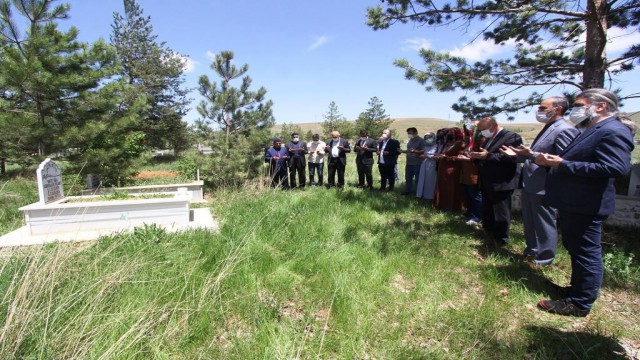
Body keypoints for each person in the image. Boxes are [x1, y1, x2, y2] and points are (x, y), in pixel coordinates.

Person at [535, 89, 634, 317]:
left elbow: (616, 168)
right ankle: (576, 290)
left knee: (586, 253)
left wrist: (563, 164)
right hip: (575, 202)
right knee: (576, 249)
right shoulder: (593, 128)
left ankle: (580, 303)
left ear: (600, 106)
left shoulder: (613, 130)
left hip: (587, 204)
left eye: (579, 104)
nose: (574, 109)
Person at [501, 96, 579, 266]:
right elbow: (537, 156)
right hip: (531, 183)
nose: (539, 111)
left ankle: (544, 259)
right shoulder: (548, 127)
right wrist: (519, 156)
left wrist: (531, 155)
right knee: (530, 222)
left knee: (544, 223)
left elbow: (562, 161)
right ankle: (532, 251)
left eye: (543, 108)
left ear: (557, 109)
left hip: (545, 186)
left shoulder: (564, 129)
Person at [469, 117, 522, 246]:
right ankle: (488, 233)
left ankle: (500, 239)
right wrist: (475, 157)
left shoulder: (512, 137)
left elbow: (511, 158)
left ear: (493, 126)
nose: (481, 133)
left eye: (483, 130)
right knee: (487, 209)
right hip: (487, 180)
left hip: (502, 181)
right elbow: (485, 155)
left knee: (500, 212)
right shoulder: (489, 138)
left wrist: (488, 156)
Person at [434, 127, 465, 211]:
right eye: (449, 133)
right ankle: (441, 205)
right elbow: (444, 153)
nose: (449, 134)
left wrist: (447, 157)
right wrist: (440, 155)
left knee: (451, 187)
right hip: (442, 167)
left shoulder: (460, 143)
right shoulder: (448, 143)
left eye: (451, 133)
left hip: (452, 168)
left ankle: (451, 206)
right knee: (442, 186)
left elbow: (460, 157)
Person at [458, 125, 483, 225]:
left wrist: (466, 158)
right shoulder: (467, 144)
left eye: (468, 133)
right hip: (465, 173)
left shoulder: (477, 144)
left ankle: (476, 217)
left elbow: (478, 158)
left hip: (473, 173)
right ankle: (469, 212)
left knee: (475, 195)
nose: (465, 135)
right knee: (467, 194)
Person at [400, 127, 426, 195]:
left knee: (417, 179)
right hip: (409, 163)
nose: (409, 135)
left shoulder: (421, 140)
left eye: (410, 133)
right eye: (408, 133)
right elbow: (409, 150)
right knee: (408, 178)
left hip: (417, 163)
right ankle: (407, 191)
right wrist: (402, 151)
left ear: (415, 133)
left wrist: (415, 151)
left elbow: (424, 151)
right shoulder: (410, 140)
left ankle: (418, 193)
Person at [415, 132, 438, 201]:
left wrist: (426, 156)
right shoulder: (426, 146)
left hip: (432, 165)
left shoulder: (436, 146)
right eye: (426, 138)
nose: (427, 139)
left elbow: (436, 155)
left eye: (429, 138)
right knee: (423, 179)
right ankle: (422, 194)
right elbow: (423, 152)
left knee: (430, 180)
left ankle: (430, 196)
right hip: (424, 164)